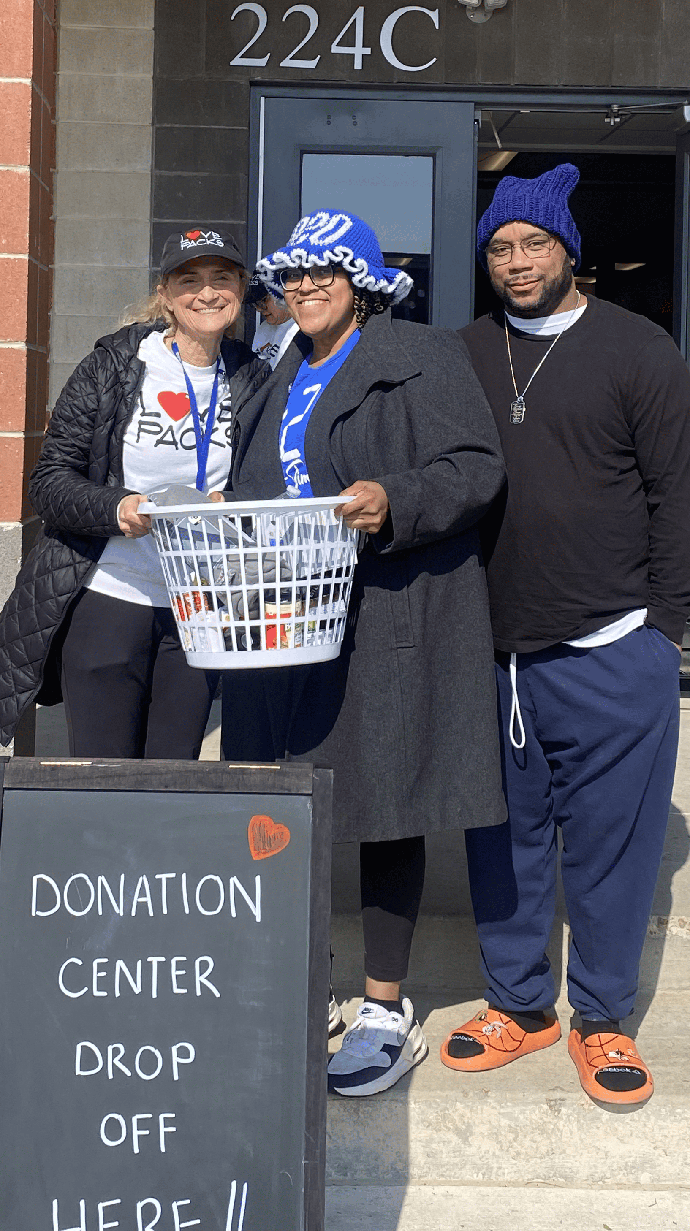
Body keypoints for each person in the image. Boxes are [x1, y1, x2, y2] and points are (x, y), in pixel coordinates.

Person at [220, 208, 507, 1096]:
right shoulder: (277, 372)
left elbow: (476, 466)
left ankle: (384, 1007)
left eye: (326, 276)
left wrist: (396, 498)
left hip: (388, 614)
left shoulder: (419, 355)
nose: (305, 290)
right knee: (284, 807)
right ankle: (297, 987)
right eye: (294, 277)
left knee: (388, 798)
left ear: (364, 287)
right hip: (285, 625)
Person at [440, 163, 690, 1107]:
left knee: (611, 847)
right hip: (495, 652)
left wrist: (664, 628)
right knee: (501, 842)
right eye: (500, 247)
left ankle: (602, 1019)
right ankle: (520, 1005)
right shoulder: (463, 351)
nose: (516, 261)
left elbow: (678, 494)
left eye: (533, 243)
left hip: (612, 643)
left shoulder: (637, 348)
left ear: (567, 250)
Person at [0, 227, 269, 756]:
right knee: (103, 776)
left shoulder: (253, 377)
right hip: (111, 594)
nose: (207, 293)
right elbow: (50, 481)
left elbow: (270, 480)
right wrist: (117, 507)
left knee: (173, 778)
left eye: (222, 278)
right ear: (166, 295)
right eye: (190, 280)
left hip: (199, 605)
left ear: (241, 290)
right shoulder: (113, 368)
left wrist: (231, 504)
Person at [245, 271, 299, 369]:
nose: (259, 309)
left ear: (283, 294)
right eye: (255, 304)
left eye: (264, 300)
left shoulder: (301, 330)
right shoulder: (264, 328)